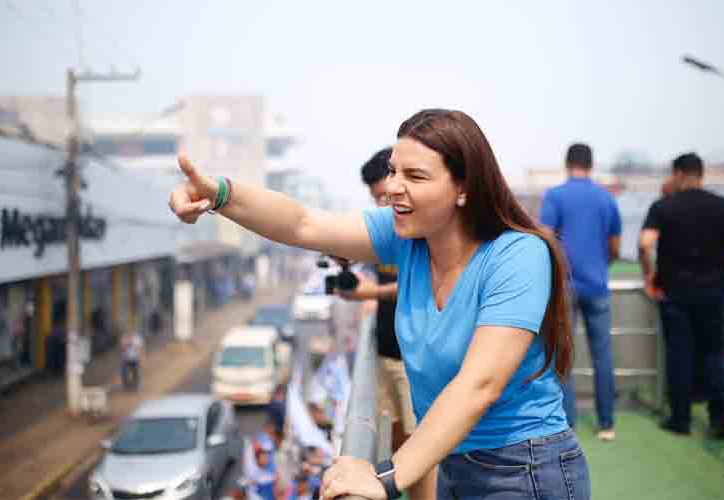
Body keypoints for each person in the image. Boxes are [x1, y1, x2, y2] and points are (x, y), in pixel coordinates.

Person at [168, 108, 589, 500]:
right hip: (454, 463)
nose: (391, 188)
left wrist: (384, 477)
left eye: (415, 176)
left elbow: (479, 384)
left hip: (524, 468)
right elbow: (302, 223)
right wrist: (219, 195)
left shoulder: (517, 255)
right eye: (392, 171)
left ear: (464, 187)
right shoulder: (407, 237)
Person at [638, 152, 724, 438]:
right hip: (712, 291)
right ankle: (718, 420)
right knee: (713, 353)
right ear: (701, 174)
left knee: (678, 354)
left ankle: (680, 419)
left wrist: (649, 275)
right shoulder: (723, 205)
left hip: (674, 292)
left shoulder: (664, 206)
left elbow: (645, 244)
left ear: (678, 174)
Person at [336, 147, 418, 455]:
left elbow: (419, 286)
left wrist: (370, 293)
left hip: (411, 359)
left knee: (418, 443)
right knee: (395, 435)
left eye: (386, 196)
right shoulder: (388, 232)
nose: (383, 205)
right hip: (385, 349)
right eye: (377, 199)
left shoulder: (419, 232)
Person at [540, 142, 621, 441]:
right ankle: (606, 424)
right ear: (591, 164)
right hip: (597, 284)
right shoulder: (606, 198)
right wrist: (601, 264)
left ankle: (567, 423)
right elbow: (614, 245)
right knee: (603, 354)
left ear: (567, 163)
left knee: (563, 355)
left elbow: (545, 237)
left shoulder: (555, 195)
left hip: (565, 287)